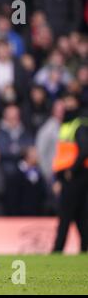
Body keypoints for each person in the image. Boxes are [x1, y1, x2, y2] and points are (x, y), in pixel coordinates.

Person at [51, 95, 88, 253]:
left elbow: (84, 150)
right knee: (81, 215)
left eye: (70, 101)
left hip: (75, 175)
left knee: (66, 214)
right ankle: (84, 248)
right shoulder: (67, 125)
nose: (67, 105)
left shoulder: (78, 125)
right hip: (70, 175)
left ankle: (58, 249)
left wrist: (70, 171)